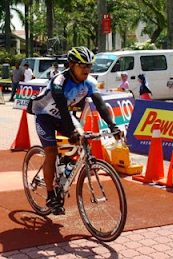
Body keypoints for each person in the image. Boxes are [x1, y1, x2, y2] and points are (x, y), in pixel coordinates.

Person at [29, 47, 120, 215]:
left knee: (82, 139)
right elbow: (63, 108)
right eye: (82, 65)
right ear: (71, 65)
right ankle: (50, 196)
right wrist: (71, 131)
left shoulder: (90, 83)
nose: (87, 69)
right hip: (45, 116)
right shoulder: (59, 81)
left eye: (89, 66)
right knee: (51, 152)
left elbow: (100, 104)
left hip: (66, 115)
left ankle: (66, 165)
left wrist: (113, 126)